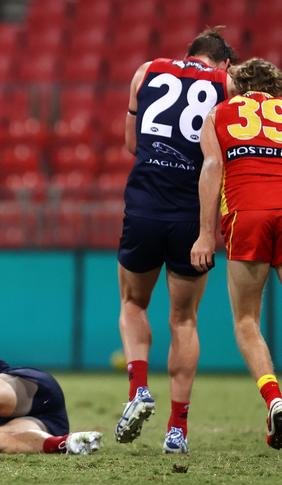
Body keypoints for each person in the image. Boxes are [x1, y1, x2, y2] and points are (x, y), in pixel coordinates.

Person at [115, 27, 237, 454]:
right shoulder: (227, 84)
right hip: (192, 214)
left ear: (189, 53)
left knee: (133, 303)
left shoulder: (146, 71)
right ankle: (177, 430)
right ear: (223, 63)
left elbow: (131, 144)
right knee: (183, 320)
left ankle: (138, 389)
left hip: (144, 206)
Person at [191, 58, 282, 449]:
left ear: (237, 86)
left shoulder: (218, 114)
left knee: (246, 320)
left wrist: (204, 235)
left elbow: (212, 166)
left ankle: (274, 399)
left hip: (247, 216)